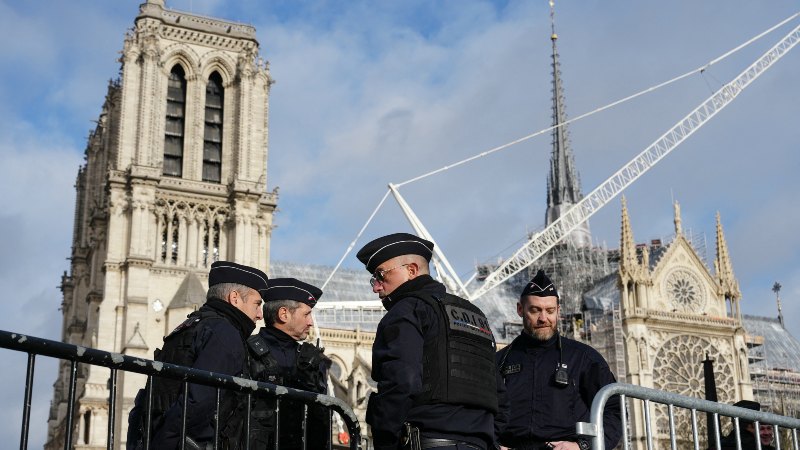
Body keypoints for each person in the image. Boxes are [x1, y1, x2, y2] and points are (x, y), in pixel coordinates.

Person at [356, 232, 506, 450]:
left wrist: (386, 442)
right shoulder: (476, 316)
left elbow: (402, 382)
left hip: (428, 441)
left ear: (411, 270)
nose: (376, 286)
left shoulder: (406, 311)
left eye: (381, 275)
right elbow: (500, 394)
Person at [127, 261, 267, 450]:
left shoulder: (193, 324)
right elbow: (199, 401)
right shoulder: (224, 333)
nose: (260, 315)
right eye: (257, 304)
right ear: (235, 298)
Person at [496, 270, 621, 450]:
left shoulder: (583, 358)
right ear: (520, 310)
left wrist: (582, 446)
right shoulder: (499, 361)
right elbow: (481, 414)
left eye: (550, 311)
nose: (543, 318)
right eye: (535, 310)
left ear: (558, 311)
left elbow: (613, 410)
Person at [246, 277, 331, 450]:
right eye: (306, 314)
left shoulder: (313, 359)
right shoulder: (245, 351)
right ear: (283, 314)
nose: (311, 322)